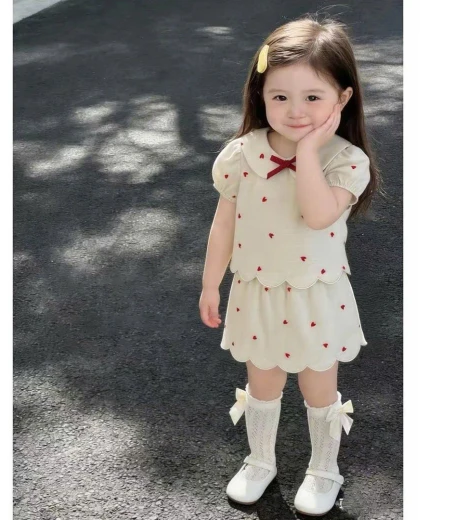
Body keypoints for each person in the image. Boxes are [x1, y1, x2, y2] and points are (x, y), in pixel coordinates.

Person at [199, 15, 384, 517]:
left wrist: (305, 151)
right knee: (262, 384)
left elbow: (318, 214)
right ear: (260, 95)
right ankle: (260, 460)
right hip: (257, 289)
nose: (295, 110)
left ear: (343, 98)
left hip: (314, 294)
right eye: (280, 96)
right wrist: (211, 284)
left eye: (313, 97)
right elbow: (224, 224)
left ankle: (324, 468)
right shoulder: (241, 155)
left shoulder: (345, 160)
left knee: (318, 387)